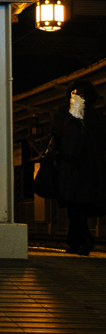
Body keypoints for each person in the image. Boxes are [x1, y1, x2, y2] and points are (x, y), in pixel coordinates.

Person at [51, 80, 106, 255]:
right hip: (94, 167)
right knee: (80, 204)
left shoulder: (66, 112)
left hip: (71, 165)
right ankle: (74, 243)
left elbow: (57, 136)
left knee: (73, 203)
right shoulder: (97, 116)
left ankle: (85, 239)